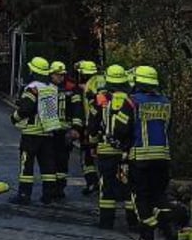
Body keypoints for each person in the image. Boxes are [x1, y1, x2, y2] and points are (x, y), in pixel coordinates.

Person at [112, 66, 177, 240]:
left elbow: (121, 129)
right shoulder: (166, 102)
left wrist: (122, 145)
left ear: (138, 82)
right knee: (159, 195)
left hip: (140, 158)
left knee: (141, 197)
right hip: (163, 156)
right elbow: (168, 128)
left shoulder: (132, 102)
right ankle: (169, 227)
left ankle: (147, 238)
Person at [89, 65, 138, 230]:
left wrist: (92, 144)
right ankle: (133, 222)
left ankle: (106, 221)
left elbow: (93, 126)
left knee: (106, 186)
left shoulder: (100, 99)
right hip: (125, 152)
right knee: (128, 186)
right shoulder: (131, 100)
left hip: (105, 150)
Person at [9, 57, 61, 205]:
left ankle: (24, 195)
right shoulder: (51, 88)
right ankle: (48, 195)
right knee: (48, 165)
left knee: (27, 166)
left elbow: (26, 108)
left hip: (31, 134)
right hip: (48, 132)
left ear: (33, 71)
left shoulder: (32, 88)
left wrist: (14, 117)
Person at [49, 61, 77, 199]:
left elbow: (77, 111)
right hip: (49, 132)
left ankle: (60, 188)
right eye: (57, 75)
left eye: (62, 75)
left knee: (63, 161)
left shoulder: (71, 89)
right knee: (50, 161)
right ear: (51, 74)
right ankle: (50, 188)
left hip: (65, 133)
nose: (60, 78)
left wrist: (75, 129)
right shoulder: (45, 89)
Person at [73, 60, 101, 195]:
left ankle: (92, 182)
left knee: (87, 156)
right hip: (107, 125)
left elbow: (82, 108)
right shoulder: (103, 80)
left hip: (90, 125)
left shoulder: (85, 87)